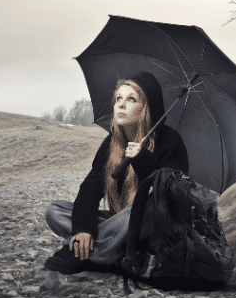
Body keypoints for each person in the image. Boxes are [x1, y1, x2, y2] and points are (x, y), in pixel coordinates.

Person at [44, 72, 189, 274]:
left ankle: (80, 252)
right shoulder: (111, 144)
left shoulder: (170, 141)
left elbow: (172, 193)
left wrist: (142, 159)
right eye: (118, 98)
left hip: (153, 226)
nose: (121, 105)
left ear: (146, 107)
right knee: (55, 210)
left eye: (131, 99)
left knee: (145, 202)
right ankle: (112, 251)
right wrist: (83, 229)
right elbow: (90, 189)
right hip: (119, 223)